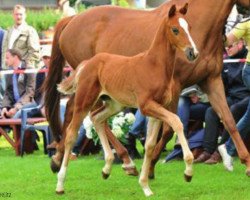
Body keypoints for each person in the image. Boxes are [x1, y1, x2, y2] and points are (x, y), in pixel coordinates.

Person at [194, 39, 250, 165]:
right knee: (211, 111)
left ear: (240, 44)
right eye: (226, 47)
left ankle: (220, 151)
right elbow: (221, 86)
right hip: (232, 97)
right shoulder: (225, 62)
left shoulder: (247, 58)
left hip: (246, 97)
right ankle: (208, 150)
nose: (227, 49)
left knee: (233, 110)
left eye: (230, 46)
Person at [218, 17, 250, 171]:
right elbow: (226, 41)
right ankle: (229, 147)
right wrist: (220, 27)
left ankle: (228, 147)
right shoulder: (246, 23)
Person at [2, 4, 40, 70]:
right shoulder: (8, 31)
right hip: (8, 68)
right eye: (16, 14)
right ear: (13, 15)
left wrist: (26, 67)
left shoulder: (30, 31)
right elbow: (4, 50)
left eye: (21, 14)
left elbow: (34, 52)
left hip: (23, 68)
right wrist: (4, 66)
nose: (18, 17)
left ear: (25, 15)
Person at [0, 49, 35, 119]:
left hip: (28, 104)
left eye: (7, 58)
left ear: (15, 57)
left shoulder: (29, 69)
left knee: (16, 116)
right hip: (14, 105)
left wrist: (16, 108)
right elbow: (8, 92)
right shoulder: (9, 71)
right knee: (3, 115)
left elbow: (30, 93)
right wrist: (5, 107)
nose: (5, 60)